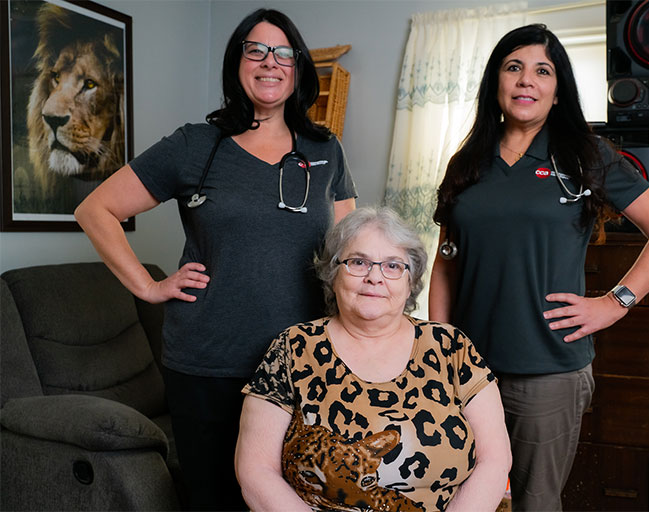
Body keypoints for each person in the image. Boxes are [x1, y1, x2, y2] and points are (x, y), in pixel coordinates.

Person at [74, 8, 357, 510]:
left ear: (298, 68)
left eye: (284, 53)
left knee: (297, 498)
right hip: (207, 361)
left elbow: (347, 252)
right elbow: (95, 209)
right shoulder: (195, 145)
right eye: (256, 50)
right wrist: (147, 284)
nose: (270, 62)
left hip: (304, 365)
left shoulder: (324, 148)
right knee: (215, 498)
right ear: (238, 64)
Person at [429, 24, 649, 511]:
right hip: (468, 371)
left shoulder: (585, 156)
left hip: (546, 372)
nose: (526, 80)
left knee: (535, 504)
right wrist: (439, 346)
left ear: (556, 89)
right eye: (514, 68)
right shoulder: (466, 163)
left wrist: (616, 304)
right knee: (458, 500)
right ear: (496, 82)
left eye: (542, 71)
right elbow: (447, 262)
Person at [235, 206, 512, 512]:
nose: (374, 277)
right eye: (358, 262)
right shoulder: (293, 347)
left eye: (393, 266)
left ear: (411, 281)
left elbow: (495, 460)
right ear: (332, 273)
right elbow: (256, 471)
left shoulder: (451, 346)